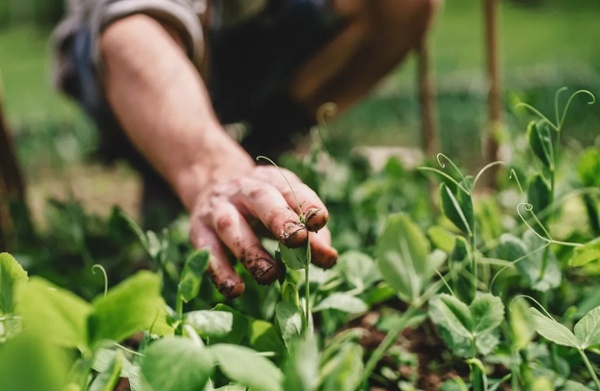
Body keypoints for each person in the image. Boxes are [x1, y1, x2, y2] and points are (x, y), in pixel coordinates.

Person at [53, 0, 440, 298]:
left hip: (259, 32)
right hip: (123, 48)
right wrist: (213, 171)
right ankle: (178, 165)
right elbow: (131, 30)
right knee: (137, 27)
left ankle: (265, 144)